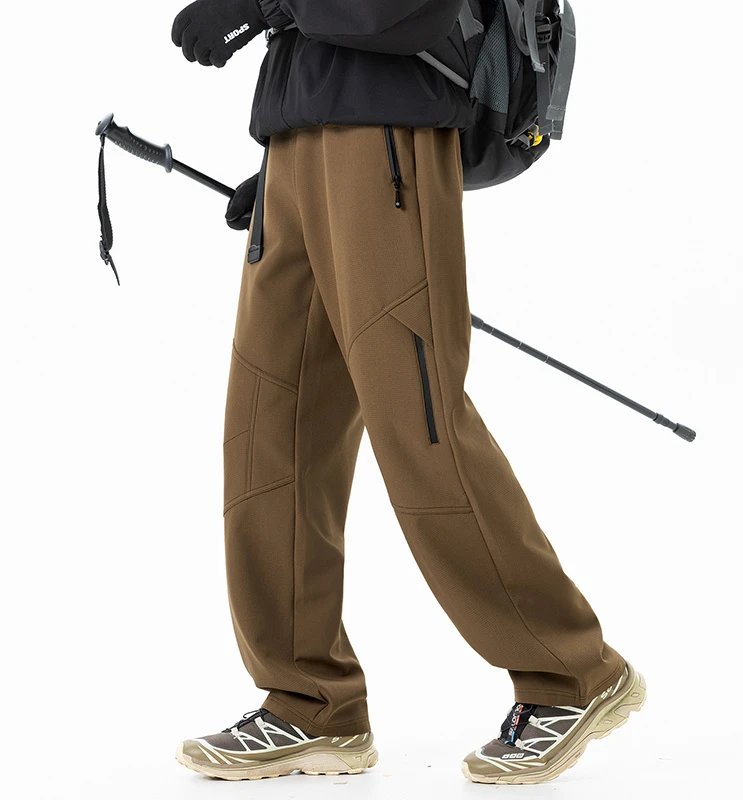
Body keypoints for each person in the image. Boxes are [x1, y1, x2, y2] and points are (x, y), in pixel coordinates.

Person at [170, 0, 645, 785]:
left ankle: (572, 671)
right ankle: (309, 702)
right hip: (302, 139)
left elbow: (408, 13)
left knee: (417, 423)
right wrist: (297, 164)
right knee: (269, 428)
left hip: (386, 139)